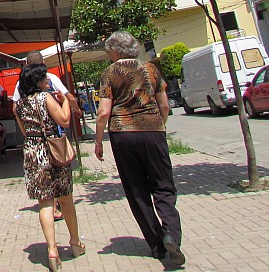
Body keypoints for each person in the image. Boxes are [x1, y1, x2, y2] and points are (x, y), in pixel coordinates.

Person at [94, 31, 185, 266]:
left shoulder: (110, 72)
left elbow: (104, 111)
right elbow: (164, 104)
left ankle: (156, 245)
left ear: (116, 50)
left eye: (108, 51)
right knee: (163, 185)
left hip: (123, 135)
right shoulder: (151, 69)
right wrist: (160, 125)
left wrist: (98, 141)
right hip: (153, 132)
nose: (108, 55)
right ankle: (171, 235)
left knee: (137, 190)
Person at [14, 63, 85, 271]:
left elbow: (25, 131)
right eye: (44, 78)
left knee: (45, 202)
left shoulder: (19, 106)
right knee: (65, 198)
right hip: (53, 151)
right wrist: (64, 103)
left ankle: (52, 250)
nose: (47, 80)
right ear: (36, 81)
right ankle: (74, 243)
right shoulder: (46, 98)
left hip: (33, 152)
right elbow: (63, 121)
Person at [12, 50, 82, 221]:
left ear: (27, 64)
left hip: (33, 137)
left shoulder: (20, 84)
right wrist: (76, 110)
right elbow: (69, 97)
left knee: (43, 175)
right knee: (58, 166)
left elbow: (15, 108)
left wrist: (26, 131)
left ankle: (53, 207)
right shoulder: (51, 78)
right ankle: (60, 202)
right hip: (54, 130)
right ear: (43, 63)